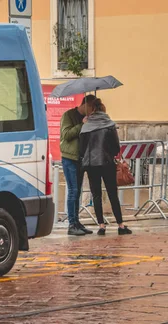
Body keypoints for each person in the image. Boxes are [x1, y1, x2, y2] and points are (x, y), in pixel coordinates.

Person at [79, 98, 132, 235]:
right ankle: (120, 225)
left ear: (93, 109)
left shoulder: (86, 126)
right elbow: (116, 147)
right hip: (107, 163)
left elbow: (81, 149)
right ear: (103, 109)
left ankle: (101, 226)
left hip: (91, 164)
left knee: (96, 194)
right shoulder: (109, 124)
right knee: (112, 194)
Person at [60, 94, 96, 236]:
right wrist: (82, 124)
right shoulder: (68, 115)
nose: (92, 111)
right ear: (85, 105)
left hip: (81, 158)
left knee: (78, 191)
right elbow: (67, 135)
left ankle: (77, 221)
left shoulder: (88, 118)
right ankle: (71, 224)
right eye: (91, 107)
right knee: (73, 191)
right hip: (69, 158)